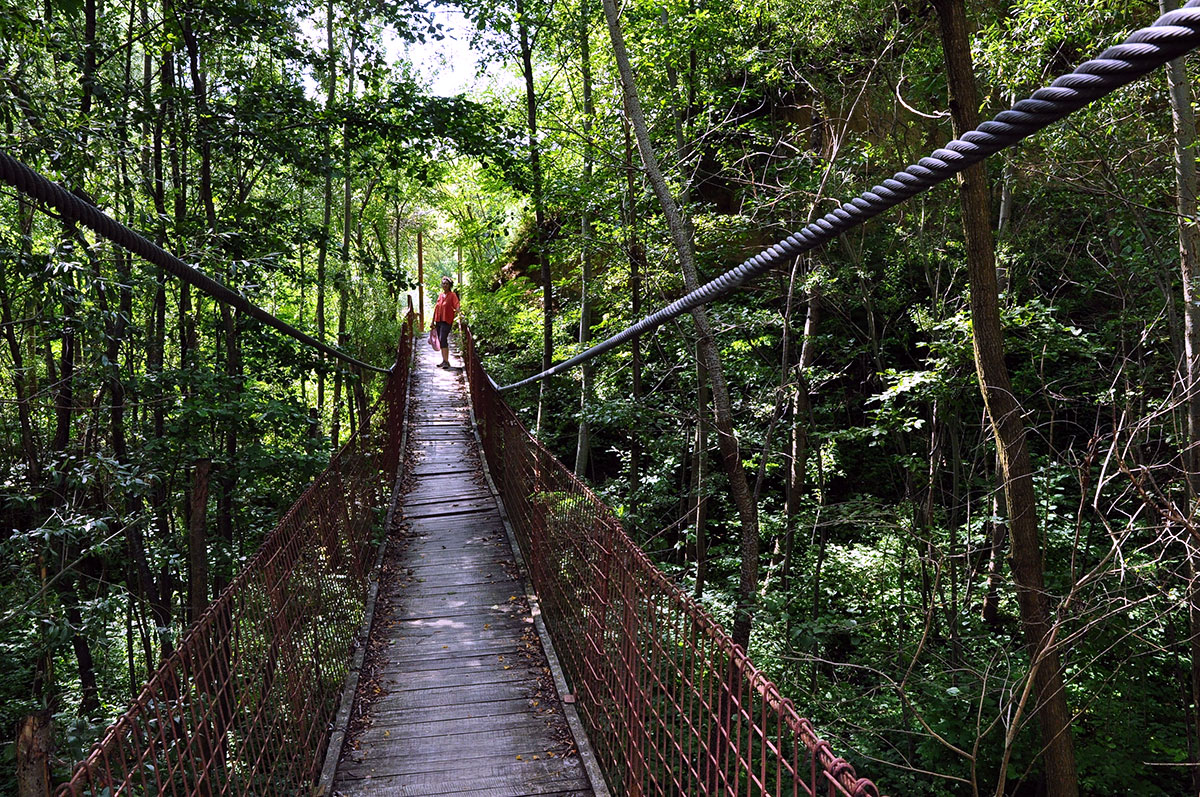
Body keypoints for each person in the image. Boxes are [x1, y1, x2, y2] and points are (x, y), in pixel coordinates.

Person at [431, 276, 460, 368]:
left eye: (446, 284)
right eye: (443, 284)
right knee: (440, 340)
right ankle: (444, 360)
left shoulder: (452, 295)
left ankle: (446, 361)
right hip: (438, 320)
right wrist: (432, 322)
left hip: (447, 321)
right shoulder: (440, 295)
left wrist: (460, 313)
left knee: (443, 338)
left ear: (449, 285)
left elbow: (456, 305)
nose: (445, 285)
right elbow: (436, 308)